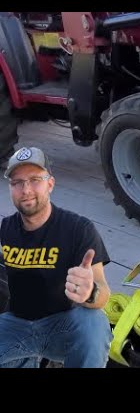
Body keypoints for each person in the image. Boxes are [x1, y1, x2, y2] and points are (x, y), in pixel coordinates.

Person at [0, 146, 113, 368]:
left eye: (34, 180)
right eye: (17, 182)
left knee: (95, 322)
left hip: (62, 326)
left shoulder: (78, 228)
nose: (26, 190)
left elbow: (103, 295)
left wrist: (90, 292)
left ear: (50, 184)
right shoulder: (6, 229)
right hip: (17, 326)